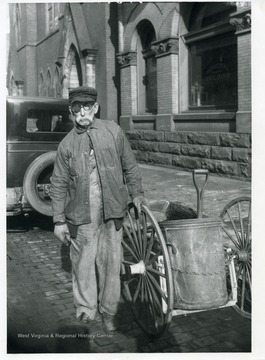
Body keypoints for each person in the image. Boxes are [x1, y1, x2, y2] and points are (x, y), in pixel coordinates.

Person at [50, 85, 148, 331]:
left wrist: (137, 195)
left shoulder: (113, 131)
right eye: (76, 108)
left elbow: (130, 167)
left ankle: (109, 311)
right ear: (70, 111)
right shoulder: (66, 145)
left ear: (95, 108)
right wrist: (59, 220)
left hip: (113, 210)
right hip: (81, 215)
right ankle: (86, 309)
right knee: (82, 263)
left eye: (87, 107)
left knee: (111, 263)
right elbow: (58, 184)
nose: (82, 112)